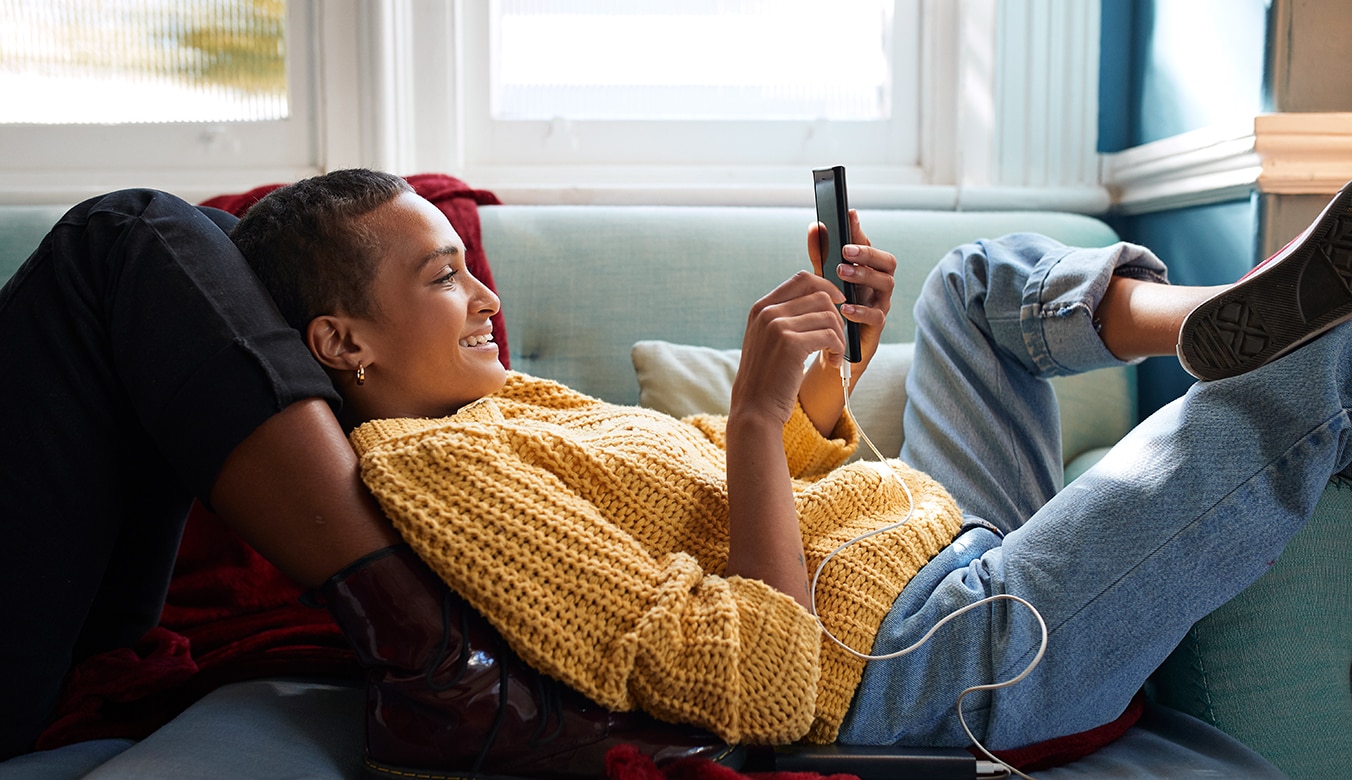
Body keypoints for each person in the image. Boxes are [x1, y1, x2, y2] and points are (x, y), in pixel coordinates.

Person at [1, 168, 1348, 779]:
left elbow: (784, 506)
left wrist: (823, 381)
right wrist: (755, 424)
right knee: (1292, 394)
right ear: (340, 342)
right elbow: (762, 681)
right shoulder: (432, 471)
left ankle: (1227, 311)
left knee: (984, 284)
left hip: (939, 546)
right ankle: (1272, 349)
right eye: (443, 272)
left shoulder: (513, 405)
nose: (480, 291)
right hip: (946, 660)